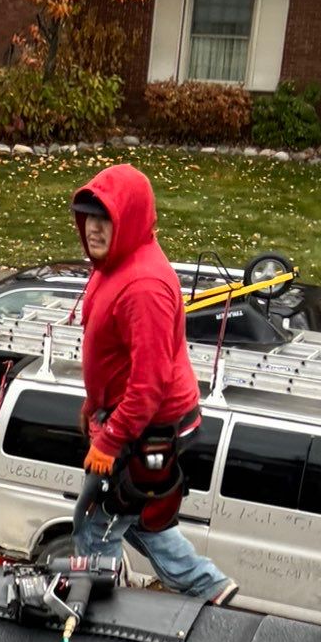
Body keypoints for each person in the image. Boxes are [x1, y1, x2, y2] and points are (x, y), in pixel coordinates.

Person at [71, 162, 236, 604]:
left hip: (148, 426)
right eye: (88, 217)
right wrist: (95, 403)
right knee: (143, 520)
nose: (94, 230)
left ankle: (97, 616)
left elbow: (148, 385)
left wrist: (110, 440)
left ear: (129, 221)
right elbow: (115, 358)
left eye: (105, 219)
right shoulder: (115, 263)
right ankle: (212, 588)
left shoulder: (144, 285)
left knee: (94, 523)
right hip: (130, 416)